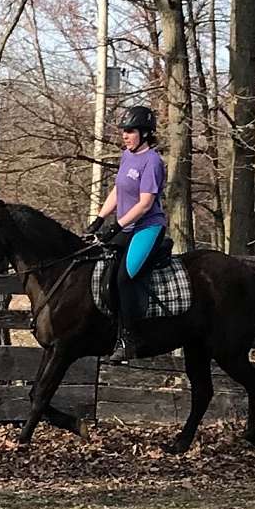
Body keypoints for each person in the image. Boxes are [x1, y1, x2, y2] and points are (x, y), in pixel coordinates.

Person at [85, 105, 167, 363]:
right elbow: (118, 191)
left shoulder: (152, 161)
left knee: (124, 277)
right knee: (103, 268)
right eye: (124, 131)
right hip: (125, 226)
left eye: (130, 131)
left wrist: (117, 226)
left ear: (144, 134)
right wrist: (98, 219)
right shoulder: (127, 156)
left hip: (147, 228)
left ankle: (130, 340)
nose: (125, 135)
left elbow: (144, 203)